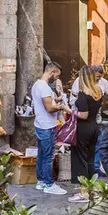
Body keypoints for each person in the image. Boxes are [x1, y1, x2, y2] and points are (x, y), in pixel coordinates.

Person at [29, 63, 69, 195]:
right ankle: (49, 183)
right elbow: (49, 108)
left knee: (41, 154)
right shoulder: (44, 87)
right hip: (46, 126)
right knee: (48, 157)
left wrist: (55, 100)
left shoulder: (37, 85)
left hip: (41, 125)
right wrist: (61, 106)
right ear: (52, 72)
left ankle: (41, 181)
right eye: (57, 75)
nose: (57, 79)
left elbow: (45, 103)